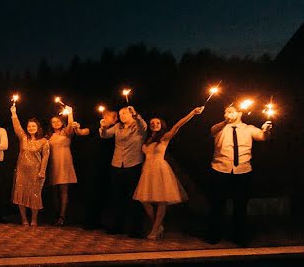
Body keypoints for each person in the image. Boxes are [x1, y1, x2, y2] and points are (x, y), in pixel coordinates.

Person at [133, 107, 204, 239]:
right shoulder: (147, 139)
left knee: (161, 201)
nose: (154, 124)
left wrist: (192, 113)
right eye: (152, 123)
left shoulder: (165, 137)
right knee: (143, 200)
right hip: (148, 170)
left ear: (162, 125)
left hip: (160, 168)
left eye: (157, 123)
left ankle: (155, 230)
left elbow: (178, 125)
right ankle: (158, 225)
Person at [206, 104, 272, 246]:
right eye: (225, 112)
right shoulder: (220, 128)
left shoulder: (248, 129)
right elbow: (212, 130)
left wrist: (266, 130)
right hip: (220, 170)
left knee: (240, 206)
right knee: (217, 205)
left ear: (240, 113)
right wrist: (225, 122)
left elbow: (262, 137)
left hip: (243, 171)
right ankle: (214, 235)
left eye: (231, 112)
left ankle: (239, 236)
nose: (227, 114)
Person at [99, 105, 147, 237]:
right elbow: (105, 136)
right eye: (120, 114)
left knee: (134, 198)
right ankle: (116, 226)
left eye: (124, 113)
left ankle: (135, 229)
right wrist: (103, 127)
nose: (121, 116)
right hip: (117, 164)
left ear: (131, 113)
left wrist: (136, 114)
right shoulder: (118, 127)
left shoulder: (138, 127)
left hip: (133, 164)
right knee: (117, 197)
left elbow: (143, 126)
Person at [47, 107, 89, 226]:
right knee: (54, 191)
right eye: (53, 122)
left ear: (62, 122)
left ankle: (62, 216)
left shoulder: (66, 132)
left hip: (64, 162)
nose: (56, 123)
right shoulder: (49, 135)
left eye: (58, 121)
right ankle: (55, 215)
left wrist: (70, 113)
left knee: (63, 191)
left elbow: (71, 126)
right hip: (53, 163)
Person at [10, 103, 50, 226]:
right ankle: (24, 219)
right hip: (21, 171)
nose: (31, 128)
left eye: (33, 126)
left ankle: (34, 219)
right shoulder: (23, 138)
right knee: (20, 194)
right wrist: (13, 113)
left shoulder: (44, 141)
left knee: (34, 195)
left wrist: (42, 171)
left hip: (36, 172)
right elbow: (17, 127)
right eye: (29, 126)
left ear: (38, 128)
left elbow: (45, 158)